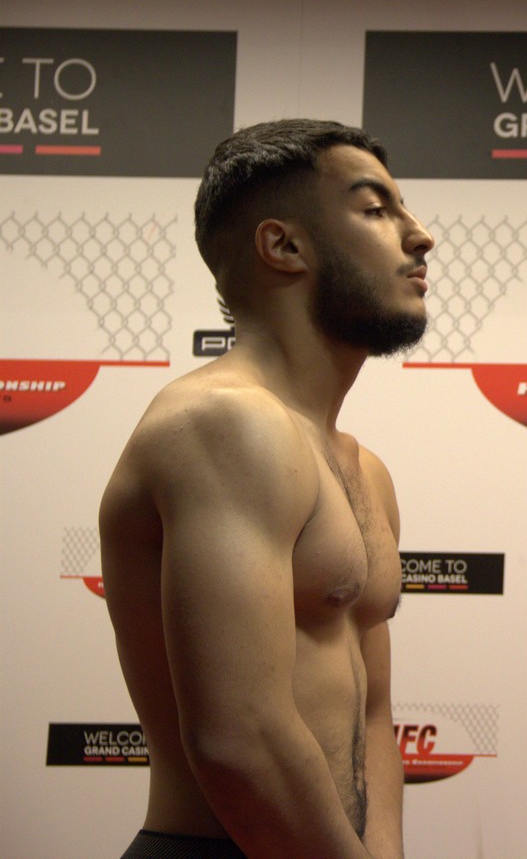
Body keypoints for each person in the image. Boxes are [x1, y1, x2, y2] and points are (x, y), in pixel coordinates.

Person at [99, 119, 434, 859]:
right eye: (376, 209)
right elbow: (240, 738)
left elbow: (374, 716)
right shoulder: (225, 424)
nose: (421, 236)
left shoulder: (363, 470)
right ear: (283, 246)